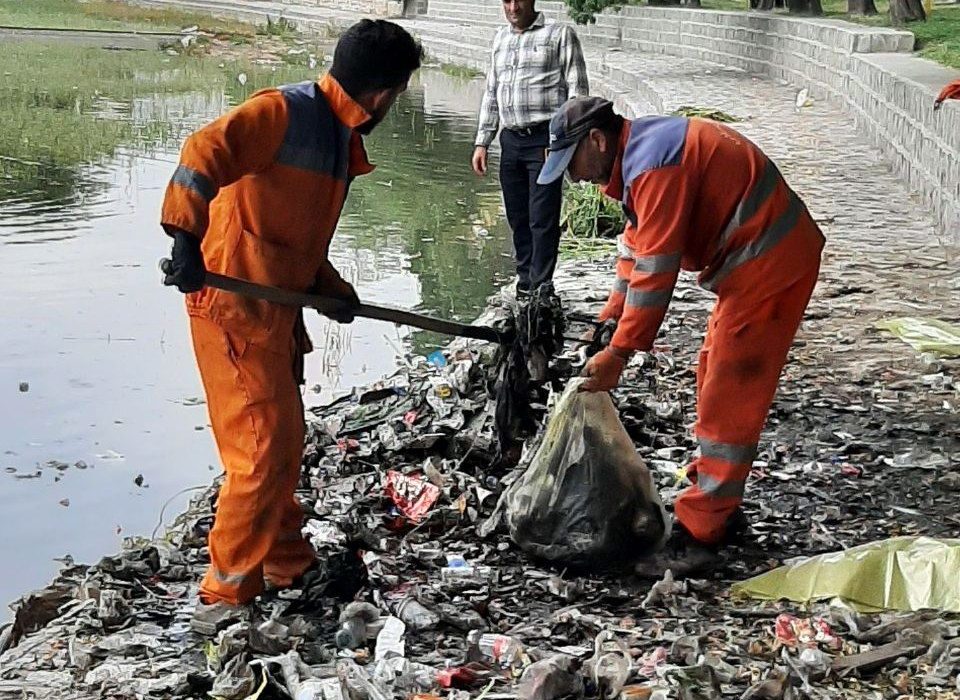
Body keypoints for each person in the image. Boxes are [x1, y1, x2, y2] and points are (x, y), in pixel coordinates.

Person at [159, 20, 423, 612]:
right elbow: (205, 149)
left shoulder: (335, 136)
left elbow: (292, 239)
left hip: (274, 307)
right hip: (231, 305)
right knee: (260, 448)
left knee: (284, 439)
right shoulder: (285, 112)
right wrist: (184, 236)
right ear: (384, 94)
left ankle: (285, 560)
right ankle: (224, 594)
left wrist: (335, 291)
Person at [538, 97, 824, 566]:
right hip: (753, 265)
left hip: (770, 265)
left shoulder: (654, 167)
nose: (573, 176)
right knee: (712, 374)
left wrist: (620, 353)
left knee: (728, 396)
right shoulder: (640, 157)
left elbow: (655, 273)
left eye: (572, 163)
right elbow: (634, 252)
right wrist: (608, 320)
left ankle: (703, 531)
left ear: (596, 140)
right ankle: (717, 503)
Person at [472, 0, 588, 295]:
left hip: (545, 141)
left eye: (519, 0)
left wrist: (564, 142)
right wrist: (482, 141)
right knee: (518, 217)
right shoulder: (500, 39)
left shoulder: (559, 35)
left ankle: (541, 287)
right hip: (510, 141)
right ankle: (525, 283)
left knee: (542, 218)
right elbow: (492, 92)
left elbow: (577, 94)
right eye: (507, 1)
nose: (513, 7)